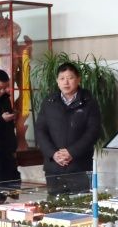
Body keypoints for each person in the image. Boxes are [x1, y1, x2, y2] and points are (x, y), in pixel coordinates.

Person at [35, 62, 102, 196]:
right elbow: (40, 130)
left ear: (78, 79)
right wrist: (54, 154)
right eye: (62, 78)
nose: (66, 82)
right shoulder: (49, 102)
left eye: (70, 78)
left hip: (79, 166)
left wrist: (71, 152)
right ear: (57, 81)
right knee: (55, 205)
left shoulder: (89, 102)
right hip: (54, 166)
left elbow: (93, 131)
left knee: (80, 205)